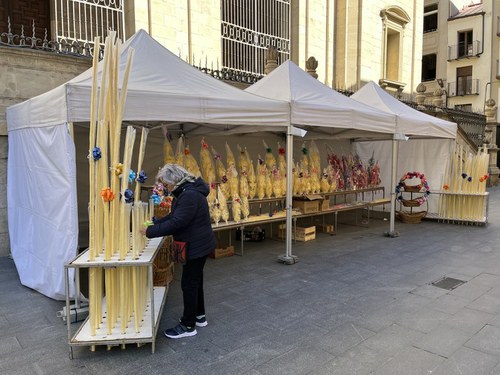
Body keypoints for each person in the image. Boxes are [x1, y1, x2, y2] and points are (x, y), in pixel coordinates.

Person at [142, 163, 216, 339]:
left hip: (196, 246)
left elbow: (177, 223)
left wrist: (149, 232)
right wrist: (155, 223)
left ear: (174, 180)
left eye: (166, 183)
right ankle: (199, 316)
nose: (165, 187)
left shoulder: (189, 195)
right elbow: (174, 216)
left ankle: (188, 325)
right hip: (197, 243)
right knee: (195, 281)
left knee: (189, 284)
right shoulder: (184, 192)